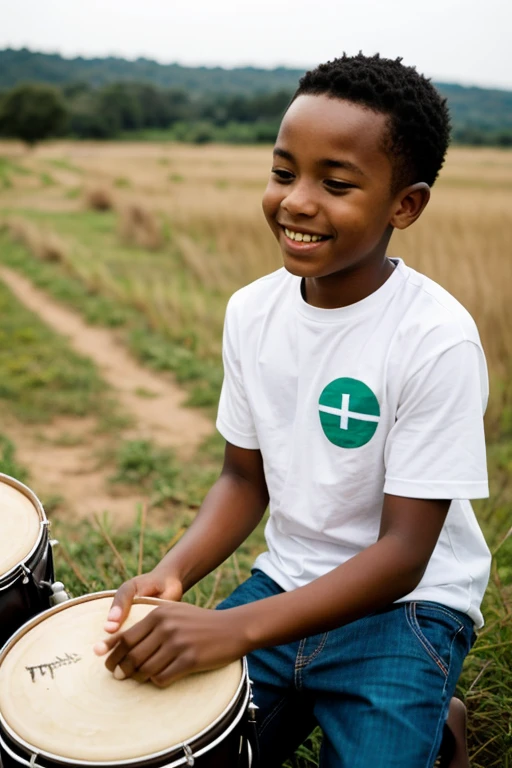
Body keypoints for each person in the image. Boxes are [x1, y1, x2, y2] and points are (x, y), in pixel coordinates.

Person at [94, 53, 491, 768]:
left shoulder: (436, 339)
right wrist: (175, 571)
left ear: (406, 205)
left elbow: (403, 557)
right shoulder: (252, 312)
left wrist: (236, 630)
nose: (298, 201)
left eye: (336, 184)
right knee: (165, 745)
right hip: (286, 583)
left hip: (406, 610)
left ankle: (438, 722)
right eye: (284, 173)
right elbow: (244, 480)